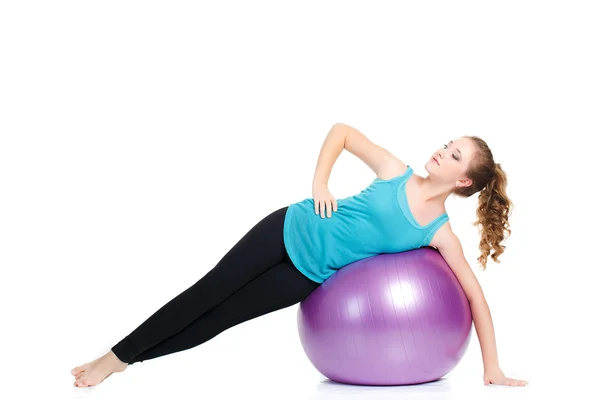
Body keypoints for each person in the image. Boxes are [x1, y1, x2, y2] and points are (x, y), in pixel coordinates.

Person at [71, 122, 529, 388]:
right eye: (448, 145)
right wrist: (320, 184)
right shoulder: (396, 171)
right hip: (287, 227)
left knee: (219, 319)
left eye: (454, 156)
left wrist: (491, 366)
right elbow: (342, 132)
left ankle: (128, 361)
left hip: (307, 275)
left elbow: (475, 299)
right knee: (205, 294)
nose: (441, 152)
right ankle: (115, 356)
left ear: (463, 181)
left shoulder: (438, 232)